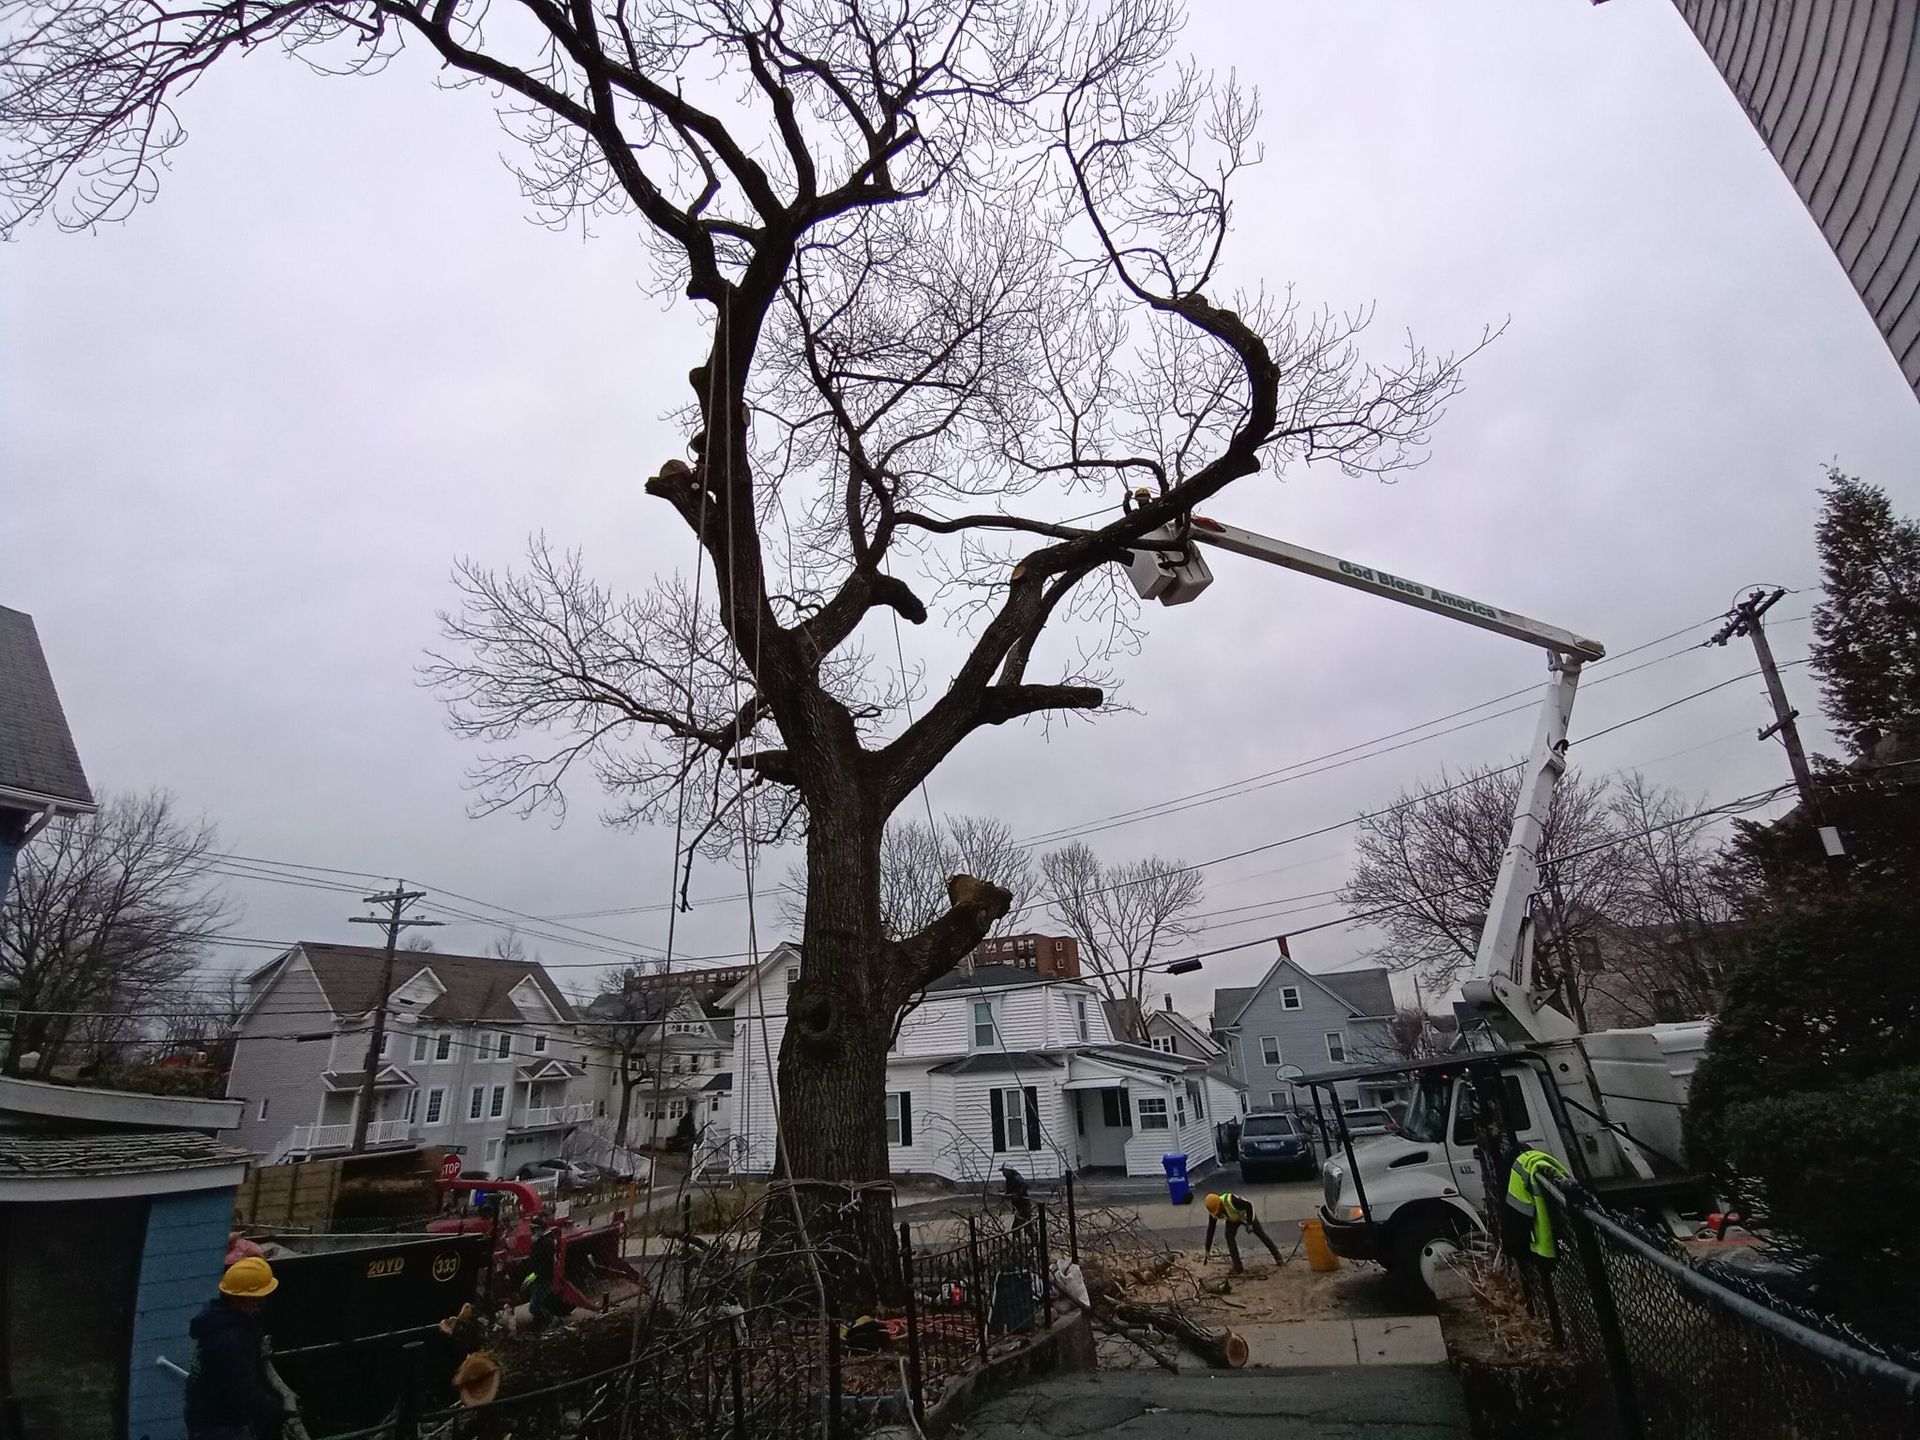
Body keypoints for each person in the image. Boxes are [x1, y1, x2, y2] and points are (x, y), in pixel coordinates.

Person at [185, 1257, 290, 1440]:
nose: (262, 1303)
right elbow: (243, 1392)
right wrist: (277, 1408)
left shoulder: (214, 1325)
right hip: (223, 1428)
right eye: (259, 1298)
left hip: (205, 1422)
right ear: (243, 1299)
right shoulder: (230, 1340)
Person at [1203, 1191, 1285, 1274]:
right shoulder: (1213, 1212)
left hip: (1246, 1215)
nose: (1218, 1213)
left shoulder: (1231, 1201)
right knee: (1229, 1237)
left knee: (1261, 1234)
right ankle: (1238, 1267)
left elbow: (1248, 1206)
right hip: (1233, 1218)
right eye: (1216, 1212)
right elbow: (1211, 1229)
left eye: (1218, 1210)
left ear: (1220, 1204)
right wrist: (1207, 1248)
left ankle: (1278, 1257)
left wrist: (1249, 1223)